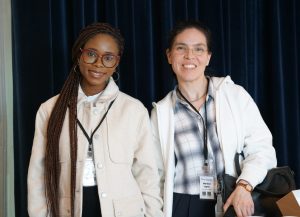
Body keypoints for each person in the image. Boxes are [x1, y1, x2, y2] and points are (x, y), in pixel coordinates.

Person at [28, 22, 163, 217]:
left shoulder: (133, 110)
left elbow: (147, 174)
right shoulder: (49, 110)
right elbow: (38, 176)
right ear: (79, 55)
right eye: (91, 54)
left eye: (108, 58)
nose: (99, 63)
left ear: (116, 63)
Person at [151, 20, 277, 217]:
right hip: (183, 205)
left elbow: (263, 149)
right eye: (181, 48)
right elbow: (155, 174)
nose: (189, 56)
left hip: (233, 199)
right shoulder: (161, 112)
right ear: (169, 56)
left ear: (208, 57)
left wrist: (245, 185)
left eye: (198, 49)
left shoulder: (234, 95)